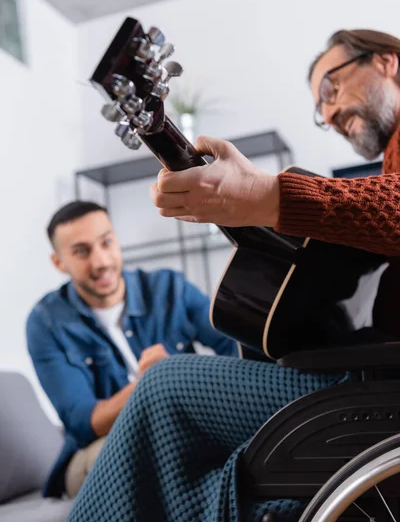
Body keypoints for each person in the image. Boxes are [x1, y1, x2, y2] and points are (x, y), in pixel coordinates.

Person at [67, 29, 400, 522]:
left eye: (330, 89)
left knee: (165, 384)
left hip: (376, 387)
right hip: (369, 377)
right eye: (319, 108)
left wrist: (268, 195)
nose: (328, 115)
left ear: (387, 62)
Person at [26, 201, 237, 498]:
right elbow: (84, 422)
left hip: (181, 431)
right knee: (133, 457)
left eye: (106, 242)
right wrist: (151, 383)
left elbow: (234, 346)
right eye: (82, 251)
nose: (101, 262)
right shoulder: (45, 323)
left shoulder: (169, 288)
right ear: (59, 262)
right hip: (97, 450)